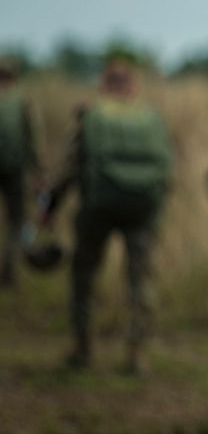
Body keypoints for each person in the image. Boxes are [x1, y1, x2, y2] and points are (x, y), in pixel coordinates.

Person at [43, 58, 172, 373]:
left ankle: (83, 349)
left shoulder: (92, 117)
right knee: (140, 281)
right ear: (134, 87)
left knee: (84, 276)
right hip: (142, 210)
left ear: (104, 85)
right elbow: (167, 170)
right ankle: (137, 354)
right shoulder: (150, 119)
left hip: (97, 208)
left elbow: (69, 168)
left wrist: (49, 207)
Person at [0, 58, 43, 289]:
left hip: (14, 167)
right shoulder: (22, 101)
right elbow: (32, 140)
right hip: (15, 168)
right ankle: (8, 271)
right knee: (16, 220)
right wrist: (38, 172)